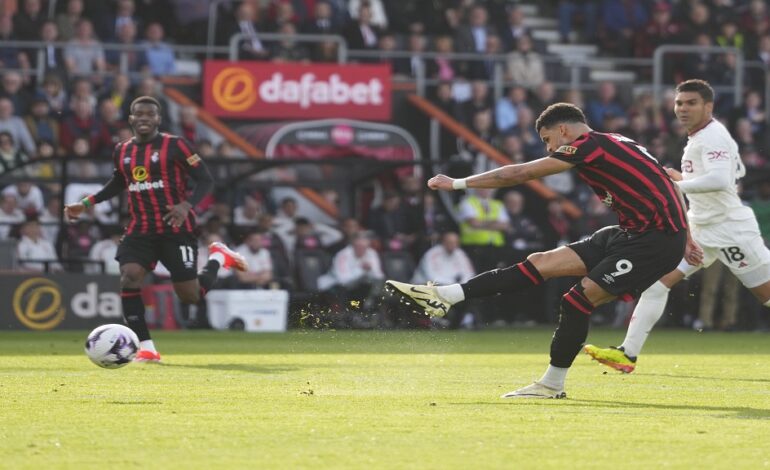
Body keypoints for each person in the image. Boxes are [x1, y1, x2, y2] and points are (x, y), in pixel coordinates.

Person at [386, 102, 697, 399]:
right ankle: (445, 297)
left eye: (548, 140)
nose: (549, 149)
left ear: (563, 130)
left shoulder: (587, 145)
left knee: (576, 301)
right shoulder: (618, 140)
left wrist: (457, 184)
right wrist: (688, 236)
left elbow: (519, 174)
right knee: (541, 262)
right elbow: (668, 180)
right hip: (633, 233)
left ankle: (551, 384)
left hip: (653, 241)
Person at [584, 79, 770, 373]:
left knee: (766, 295)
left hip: (730, 227)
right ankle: (627, 354)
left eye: (691, 103)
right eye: (679, 103)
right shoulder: (699, 137)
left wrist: (674, 184)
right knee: (657, 283)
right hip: (701, 227)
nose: (683, 108)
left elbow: (721, 181)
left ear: (708, 106)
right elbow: (733, 173)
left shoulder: (713, 137)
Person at [64, 96, 247, 363]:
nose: (144, 118)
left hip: (176, 227)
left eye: (150, 114)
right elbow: (118, 181)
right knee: (129, 276)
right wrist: (86, 203)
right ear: (131, 119)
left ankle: (219, 256)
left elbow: (206, 180)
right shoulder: (122, 150)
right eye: (139, 114)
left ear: (158, 119)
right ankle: (147, 347)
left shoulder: (176, 146)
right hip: (141, 228)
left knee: (191, 296)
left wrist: (187, 205)